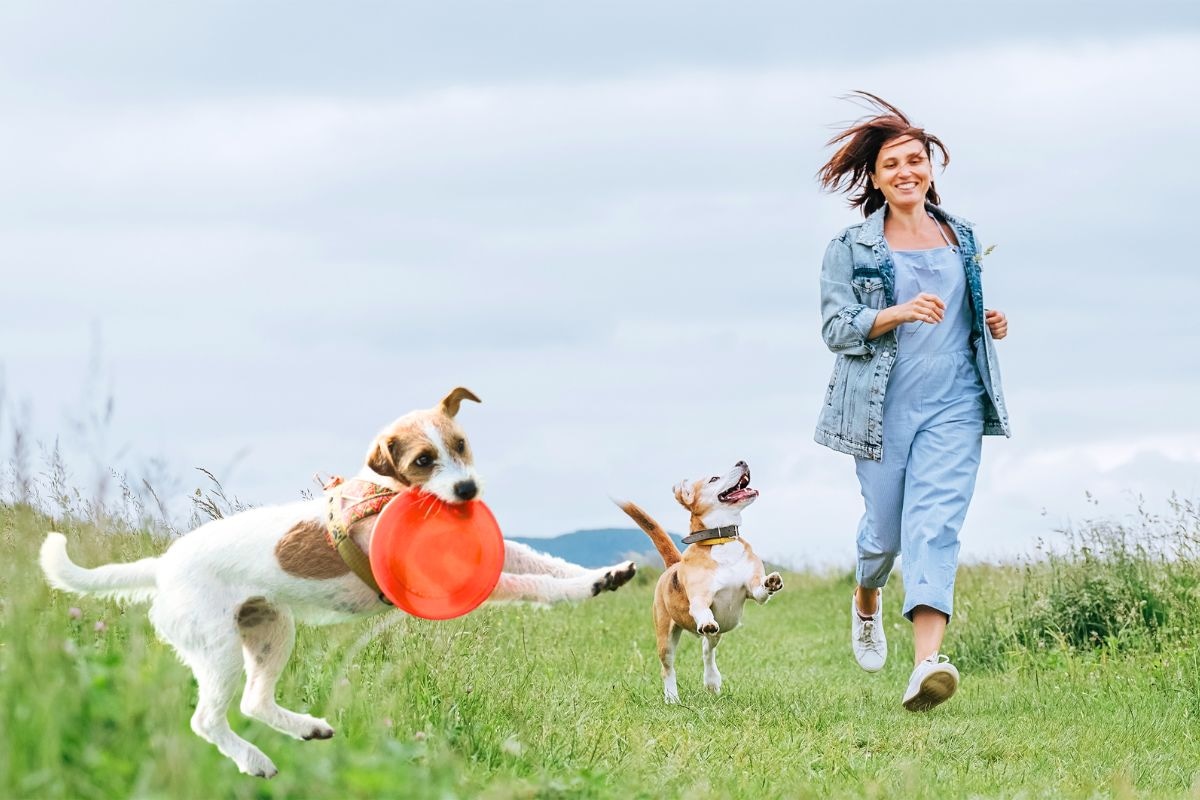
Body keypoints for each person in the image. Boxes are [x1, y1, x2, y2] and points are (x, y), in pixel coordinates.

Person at [813, 92, 1011, 711]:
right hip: (881, 408)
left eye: (915, 161)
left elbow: (963, 313)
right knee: (884, 535)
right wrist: (895, 313)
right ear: (875, 177)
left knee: (936, 526)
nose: (906, 172)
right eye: (892, 164)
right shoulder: (851, 247)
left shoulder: (962, 235)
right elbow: (835, 329)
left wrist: (990, 320)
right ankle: (866, 597)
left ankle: (928, 664)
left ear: (931, 168)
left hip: (955, 402)